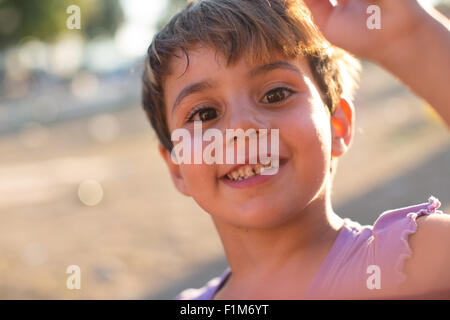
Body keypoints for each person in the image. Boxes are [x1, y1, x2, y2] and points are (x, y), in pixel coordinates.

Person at [141, 0, 450, 299]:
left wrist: (413, 36)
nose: (242, 128)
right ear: (177, 167)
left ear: (337, 125)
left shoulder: (410, 260)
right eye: (204, 115)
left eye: (275, 94)